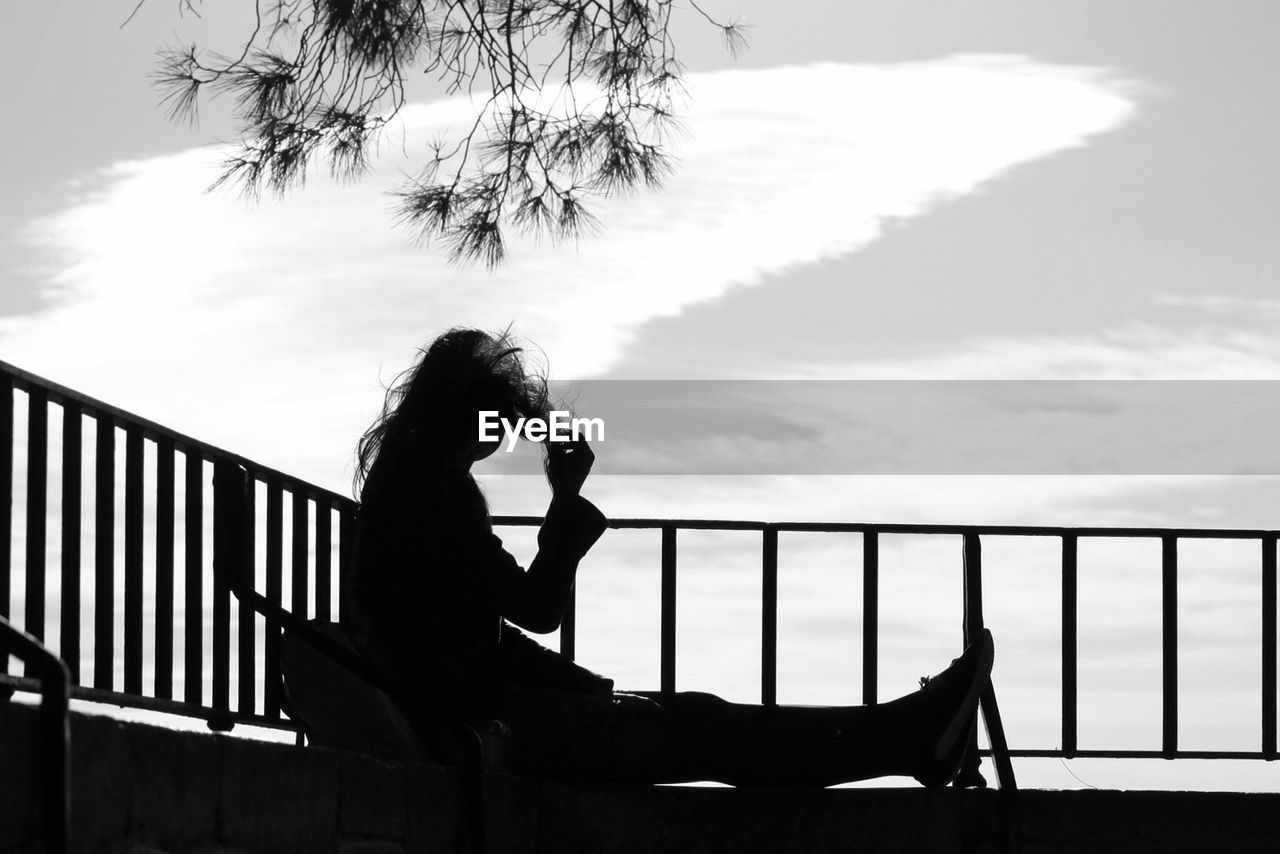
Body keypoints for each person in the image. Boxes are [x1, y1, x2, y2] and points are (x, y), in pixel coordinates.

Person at [341, 327, 994, 787]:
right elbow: (534, 611)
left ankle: (906, 734)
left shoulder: (409, 479)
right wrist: (566, 502)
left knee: (700, 721)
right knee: (707, 732)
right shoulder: (432, 491)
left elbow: (483, 622)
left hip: (477, 708)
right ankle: (907, 737)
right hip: (485, 721)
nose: (495, 443)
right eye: (494, 427)